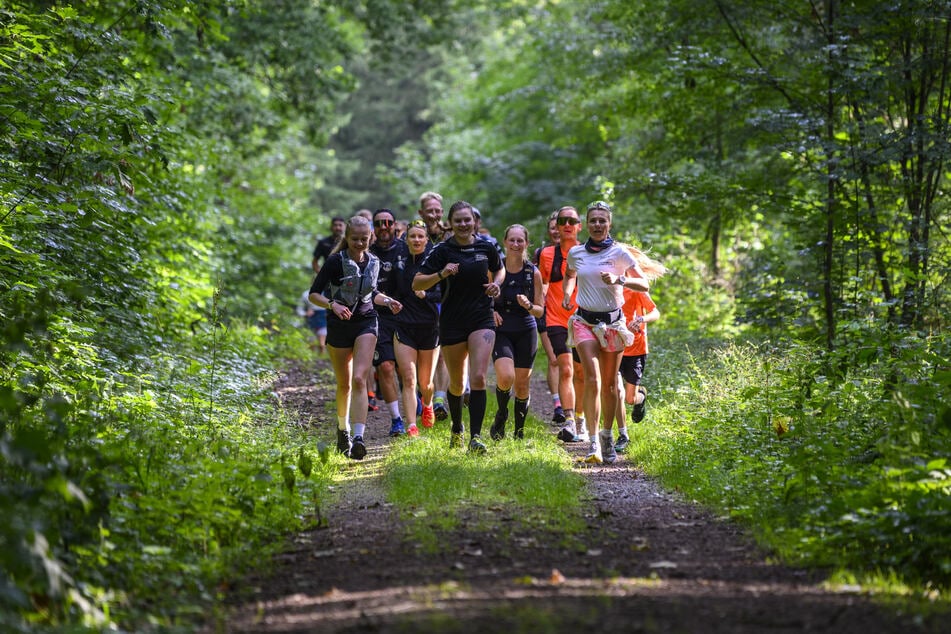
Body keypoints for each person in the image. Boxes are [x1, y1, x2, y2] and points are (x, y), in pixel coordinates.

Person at [562, 200, 655, 464]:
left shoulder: (620, 253)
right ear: (587, 224)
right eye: (593, 220)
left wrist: (619, 279)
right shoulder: (577, 253)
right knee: (592, 378)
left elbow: (644, 284)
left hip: (613, 324)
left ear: (609, 224)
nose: (598, 224)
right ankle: (593, 444)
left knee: (612, 385)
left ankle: (606, 436)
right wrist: (568, 293)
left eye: (602, 220)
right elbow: (570, 274)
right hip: (584, 322)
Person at [413, 201, 503, 454]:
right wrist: (441, 274)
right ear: (450, 223)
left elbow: (500, 269)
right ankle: (457, 428)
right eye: (459, 220)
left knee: (478, 377)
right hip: (452, 321)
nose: (464, 224)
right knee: (455, 382)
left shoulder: (486, 246)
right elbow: (417, 283)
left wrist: (497, 283)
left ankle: (475, 437)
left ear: (474, 222)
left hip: (481, 318)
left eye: (468, 220)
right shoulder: (442, 250)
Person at [308, 215, 401, 460]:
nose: (360, 243)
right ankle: (343, 429)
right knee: (345, 383)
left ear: (370, 238)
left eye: (364, 239)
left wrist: (388, 301)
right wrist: (332, 305)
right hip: (339, 326)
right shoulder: (334, 262)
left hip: (366, 322)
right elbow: (313, 295)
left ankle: (359, 438)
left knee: (360, 378)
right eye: (355, 239)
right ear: (347, 238)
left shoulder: (374, 261)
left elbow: (373, 293)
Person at [490, 224, 544, 440]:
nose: (515, 244)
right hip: (501, 329)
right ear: (504, 242)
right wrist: (491, 310)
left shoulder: (533, 273)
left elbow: (540, 312)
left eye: (520, 240)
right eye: (511, 240)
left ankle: (519, 433)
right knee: (506, 376)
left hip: (525, 329)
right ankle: (501, 415)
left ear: (526, 244)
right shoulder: (495, 268)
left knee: (522, 384)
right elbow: (482, 298)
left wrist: (529, 305)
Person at [538, 206, 586, 443]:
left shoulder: (587, 252)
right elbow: (542, 283)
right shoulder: (546, 254)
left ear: (579, 226)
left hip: (585, 320)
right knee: (565, 367)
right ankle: (569, 421)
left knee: (581, 372)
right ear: (556, 227)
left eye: (572, 221)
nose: (567, 224)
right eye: (562, 221)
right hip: (556, 319)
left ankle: (581, 418)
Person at [393, 220, 442, 434]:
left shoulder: (434, 263)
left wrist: (427, 295)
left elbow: (444, 293)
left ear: (426, 240)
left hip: (430, 327)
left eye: (420, 236)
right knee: (409, 379)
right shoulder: (399, 264)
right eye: (412, 236)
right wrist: (390, 302)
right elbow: (388, 289)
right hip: (404, 326)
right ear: (406, 239)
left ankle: (428, 404)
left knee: (426, 383)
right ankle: (412, 425)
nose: (416, 240)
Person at [369, 208, 410, 436]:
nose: (384, 227)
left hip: (407, 316)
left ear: (395, 225)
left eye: (388, 222)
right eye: (379, 223)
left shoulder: (407, 249)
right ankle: (396, 420)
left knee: (406, 371)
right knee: (386, 367)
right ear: (373, 227)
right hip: (379, 317)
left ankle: (416, 411)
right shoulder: (369, 252)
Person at [417, 191, 451, 421]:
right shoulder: (415, 235)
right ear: (421, 212)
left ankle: (439, 399)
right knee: (423, 355)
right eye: (430, 210)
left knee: (442, 354)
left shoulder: (450, 236)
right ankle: (423, 397)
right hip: (419, 302)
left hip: (445, 300)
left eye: (438, 210)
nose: (434, 214)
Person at [614, 285, 661, 453]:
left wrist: (641, 319)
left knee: (629, 399)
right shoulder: (607, 287)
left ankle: (640, 396)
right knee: (617, 390)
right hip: (613, 347)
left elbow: (655, 312)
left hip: (636, 348)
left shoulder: (636, 288)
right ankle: (623, 435)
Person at [533, 212, 562, 424]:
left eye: (559, 226)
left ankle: (575, 404)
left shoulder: (578, 251)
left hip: (573, 311)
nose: (556, 230)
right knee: (554, 359)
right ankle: (558, 405)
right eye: (552, 227)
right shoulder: (542, 253)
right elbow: (538, 280)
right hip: (548, 312)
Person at [298, 289, 327, 355]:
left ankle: (321, 353)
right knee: (311, 339)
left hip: (324, 315)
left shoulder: (328, 293)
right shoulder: (306, 294)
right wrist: (305, 313)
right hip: (312, 316)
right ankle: (312, 355)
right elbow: (300, 308)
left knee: (321, 339)